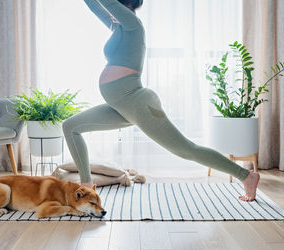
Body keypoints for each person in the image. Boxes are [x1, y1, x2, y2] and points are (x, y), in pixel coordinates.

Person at [63, 0, 260, 201]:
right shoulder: (118, 26)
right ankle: (87, 187)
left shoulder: (133, 25)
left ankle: (246, 176)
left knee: (185, 149)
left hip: (138, 104)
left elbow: (108, 3)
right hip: (120, 106)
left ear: (127, 6)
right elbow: (96, 5)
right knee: (71, 126)